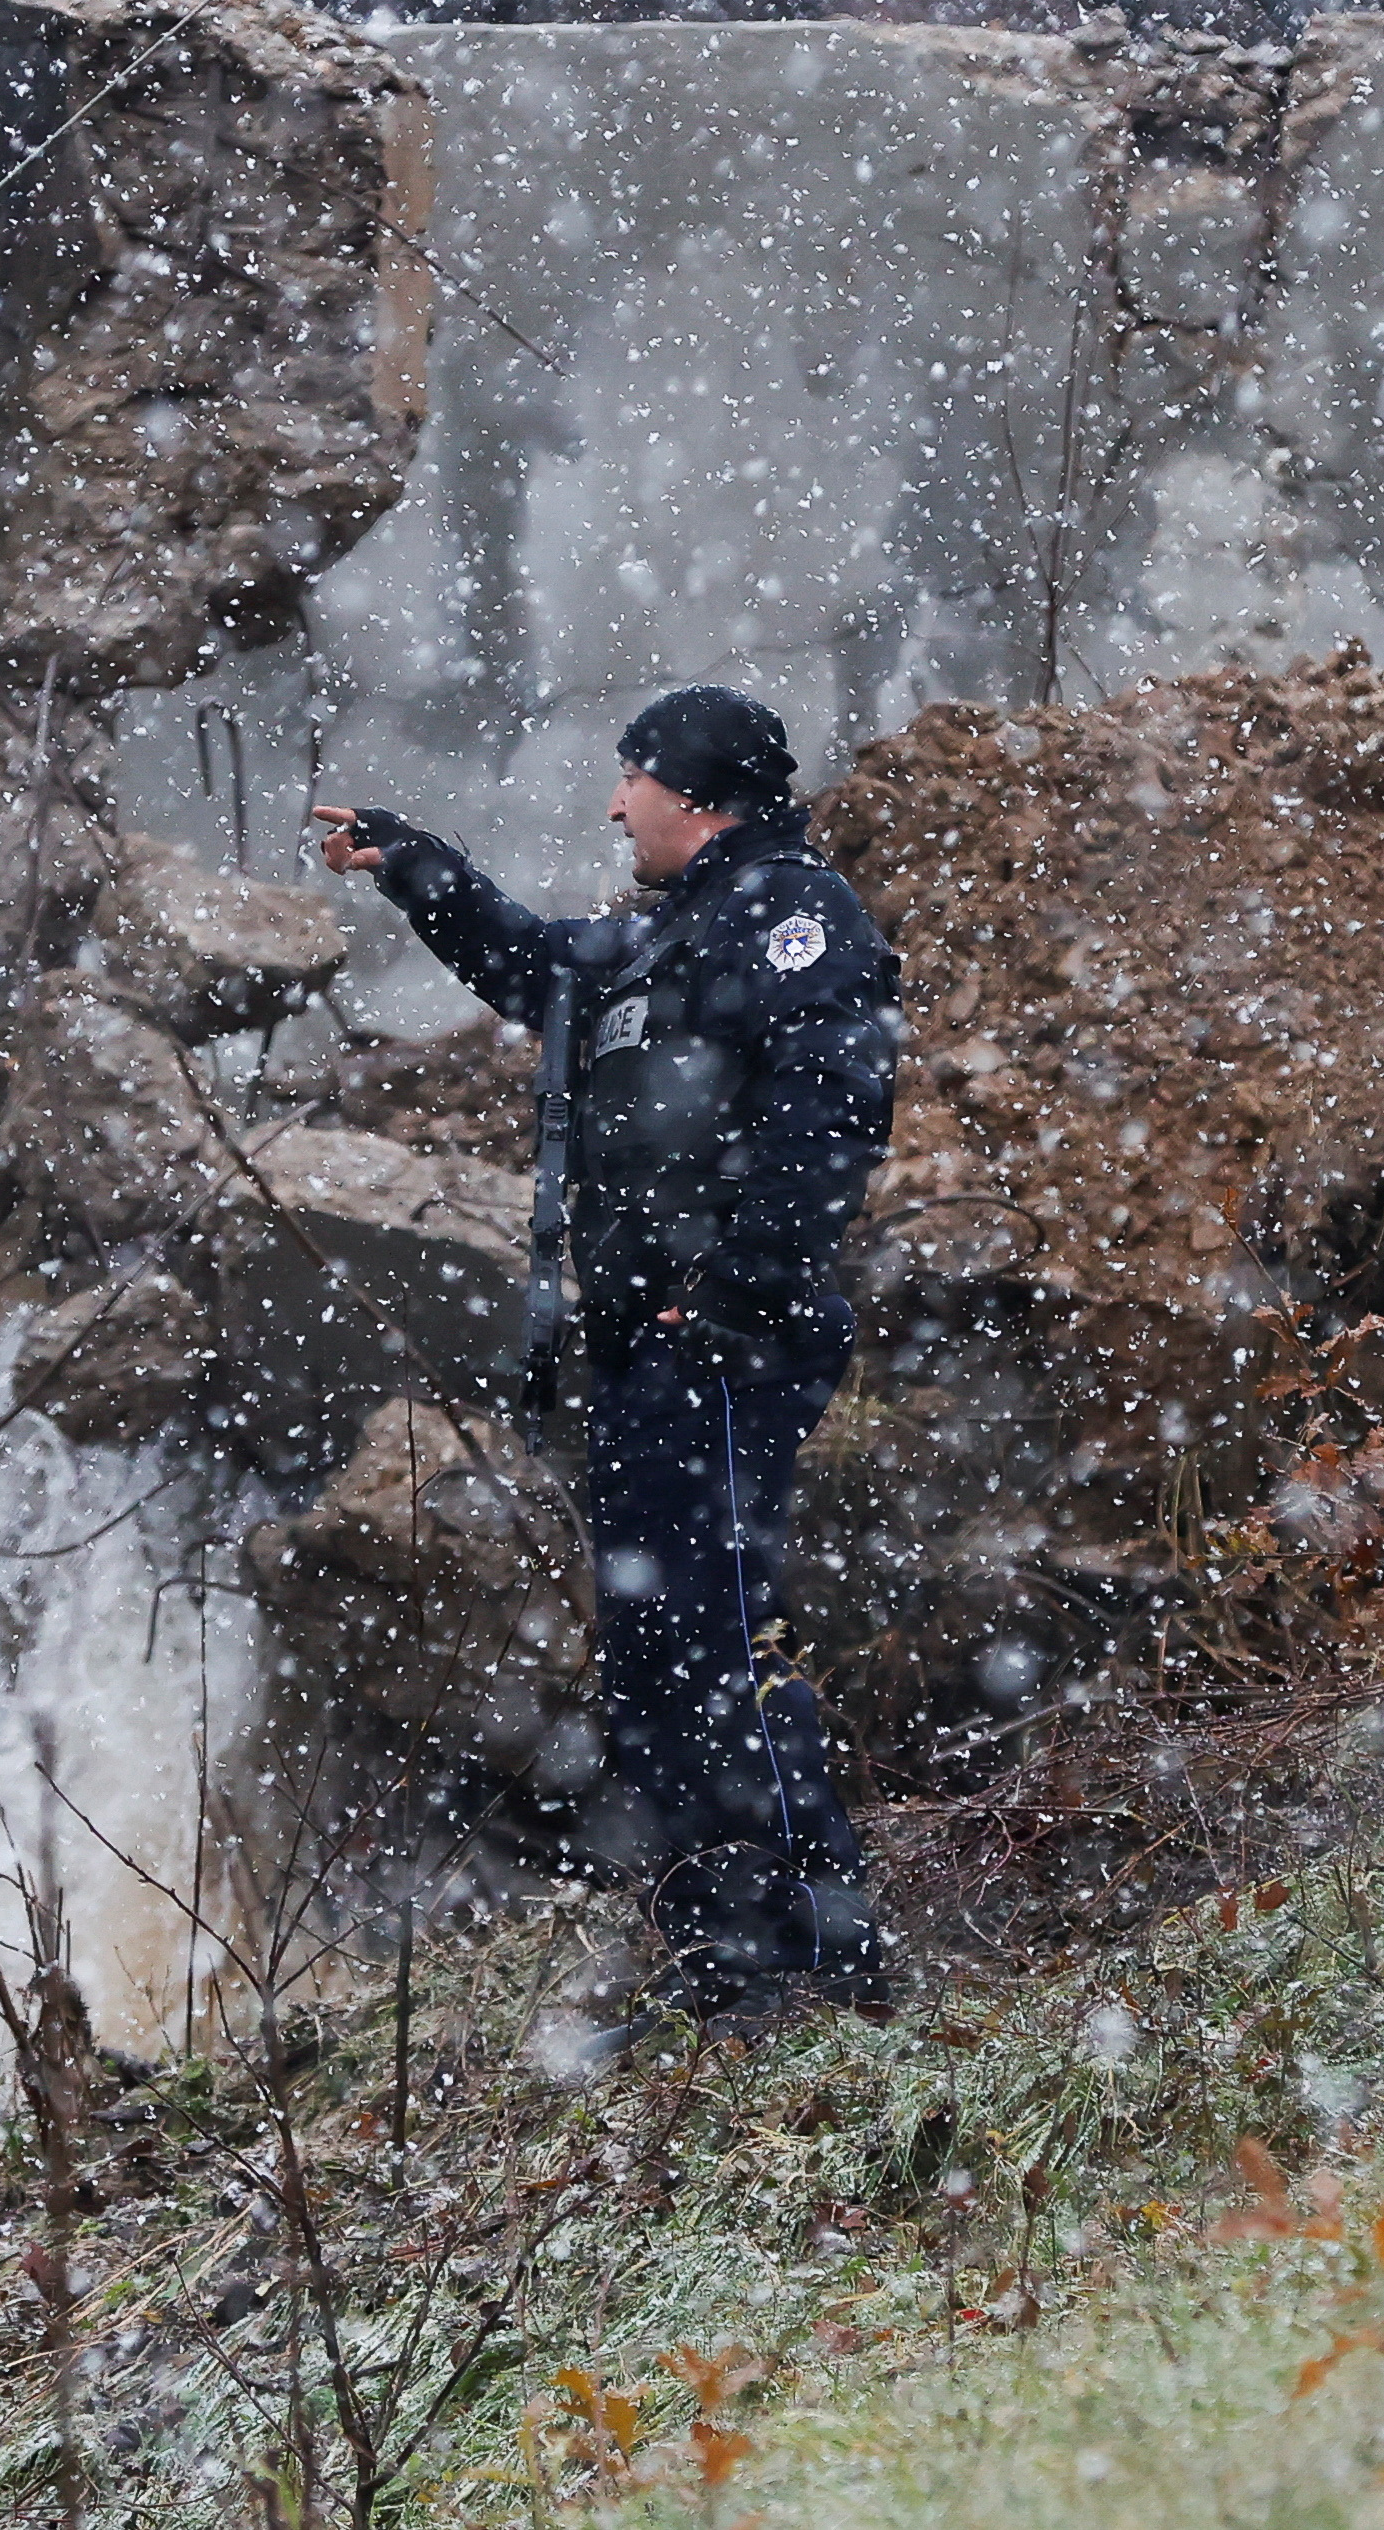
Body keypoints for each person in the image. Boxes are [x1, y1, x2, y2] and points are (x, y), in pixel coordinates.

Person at [312, 685, 898, 2039]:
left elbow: (830, 1110)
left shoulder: (790, 915)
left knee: (720, 1649)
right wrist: (417, 867)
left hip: (726, 1351)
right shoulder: (657, 938)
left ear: (694, 795)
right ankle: (720, 1963)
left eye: (630, 778)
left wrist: (739, 1292)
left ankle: (814, 1964)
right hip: (644, 1358)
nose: (613, 804)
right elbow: (536, 965)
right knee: (652, 1668)